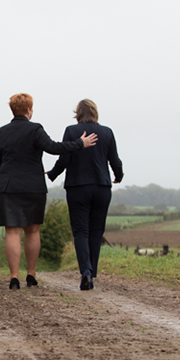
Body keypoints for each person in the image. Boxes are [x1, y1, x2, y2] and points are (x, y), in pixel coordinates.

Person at [0, 93, 97, 290]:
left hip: (9, 186)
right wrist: (80, 144)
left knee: (12, 232)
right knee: (33, 230)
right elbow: (54, 148)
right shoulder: (35, 129)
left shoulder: (1, 132)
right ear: (29, 110)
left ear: (12, 110)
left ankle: (14, 277)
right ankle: (31, 275)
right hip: (34, 187)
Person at [47, 99, 123, 291]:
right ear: (95, 112)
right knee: (96, 232)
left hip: (77, 187)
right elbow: (114, 159)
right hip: (101, 187)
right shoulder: (107, 132)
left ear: (77, 114)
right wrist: (118, 176)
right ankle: (92, 272)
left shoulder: (72, 131)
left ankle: (86, 272)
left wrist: (52, 174)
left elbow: (64, 159)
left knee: (80, 231)